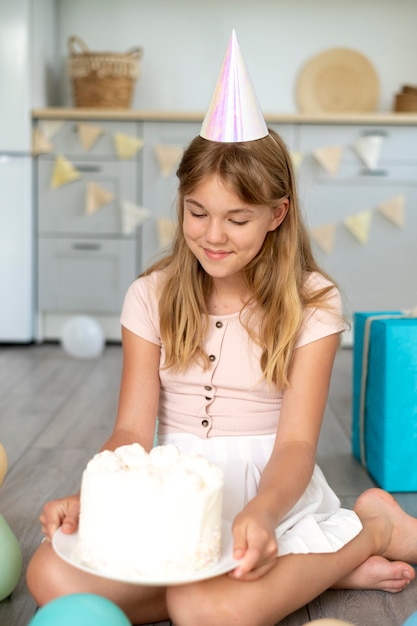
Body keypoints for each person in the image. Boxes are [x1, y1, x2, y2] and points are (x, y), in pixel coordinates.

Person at [27, 32, 417, 626]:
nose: (213, 235)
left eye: (238, 218)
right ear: (180, 201)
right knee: (48, 574)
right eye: (197, 212)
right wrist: (95, 496)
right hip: (173, 502)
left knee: (207, 610)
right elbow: (132, 428)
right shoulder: (150, 296)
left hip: (270, 497)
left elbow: (294, 446)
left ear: (276, 214)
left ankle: (369, 532)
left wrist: (261, 513)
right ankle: (312, 571)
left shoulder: (311, 301)